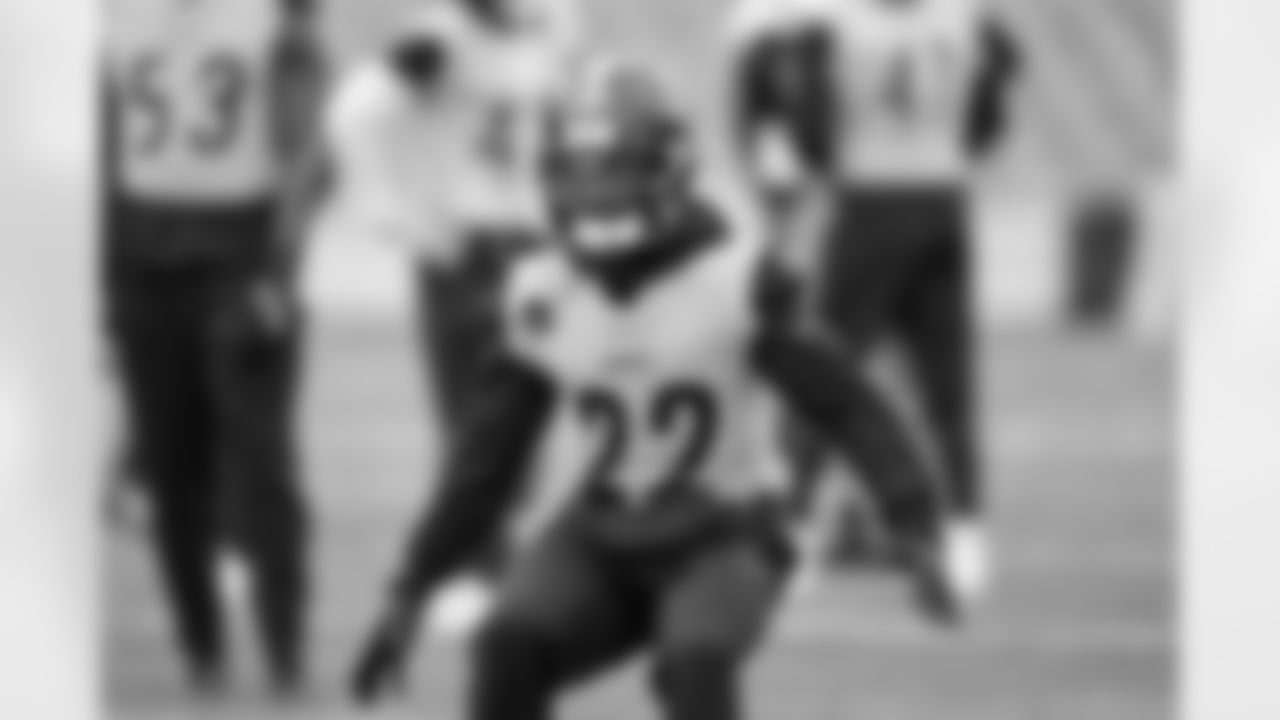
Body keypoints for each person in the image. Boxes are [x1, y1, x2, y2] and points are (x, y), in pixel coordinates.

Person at [350, 57, 986, 720]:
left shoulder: (736, 281)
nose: (597, 195)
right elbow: (485, 458)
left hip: (725, 536)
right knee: (507, 641)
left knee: (697, 659)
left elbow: (844, 402)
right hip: (600, 534)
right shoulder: (543, 292)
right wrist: (412, 586)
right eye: (582, 172)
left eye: (618, 170)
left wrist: (913, 522)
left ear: (668, 172)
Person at [727, 0, 1020, 567]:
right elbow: (992, 107)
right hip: (944, 200)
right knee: (948, 386)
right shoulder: (962, 21)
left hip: (869, 202)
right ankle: (964, 531)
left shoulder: (832, 27)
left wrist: (822, 163)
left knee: (827, 371)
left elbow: (797, 120)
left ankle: (795, 522)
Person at [323, 0, 582, 635]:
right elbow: (355, 114)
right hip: (468, 247)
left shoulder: (550, 30)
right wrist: (396, 215)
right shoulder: (438, 41)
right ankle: (471, 568)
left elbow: (563, 135)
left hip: (534, 246)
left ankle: (502, 565)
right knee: (471, 419)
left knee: (525, 415)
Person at [101, 0, 328, 694]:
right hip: (144, 257)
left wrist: (278, 272)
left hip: (238, 255)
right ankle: (202, 651)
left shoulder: (274, 22)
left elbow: (303, 152)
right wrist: (103, 270)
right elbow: (104, 147)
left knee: (262, 465)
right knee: (170, 468)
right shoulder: (114, 21)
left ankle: (285, 655)